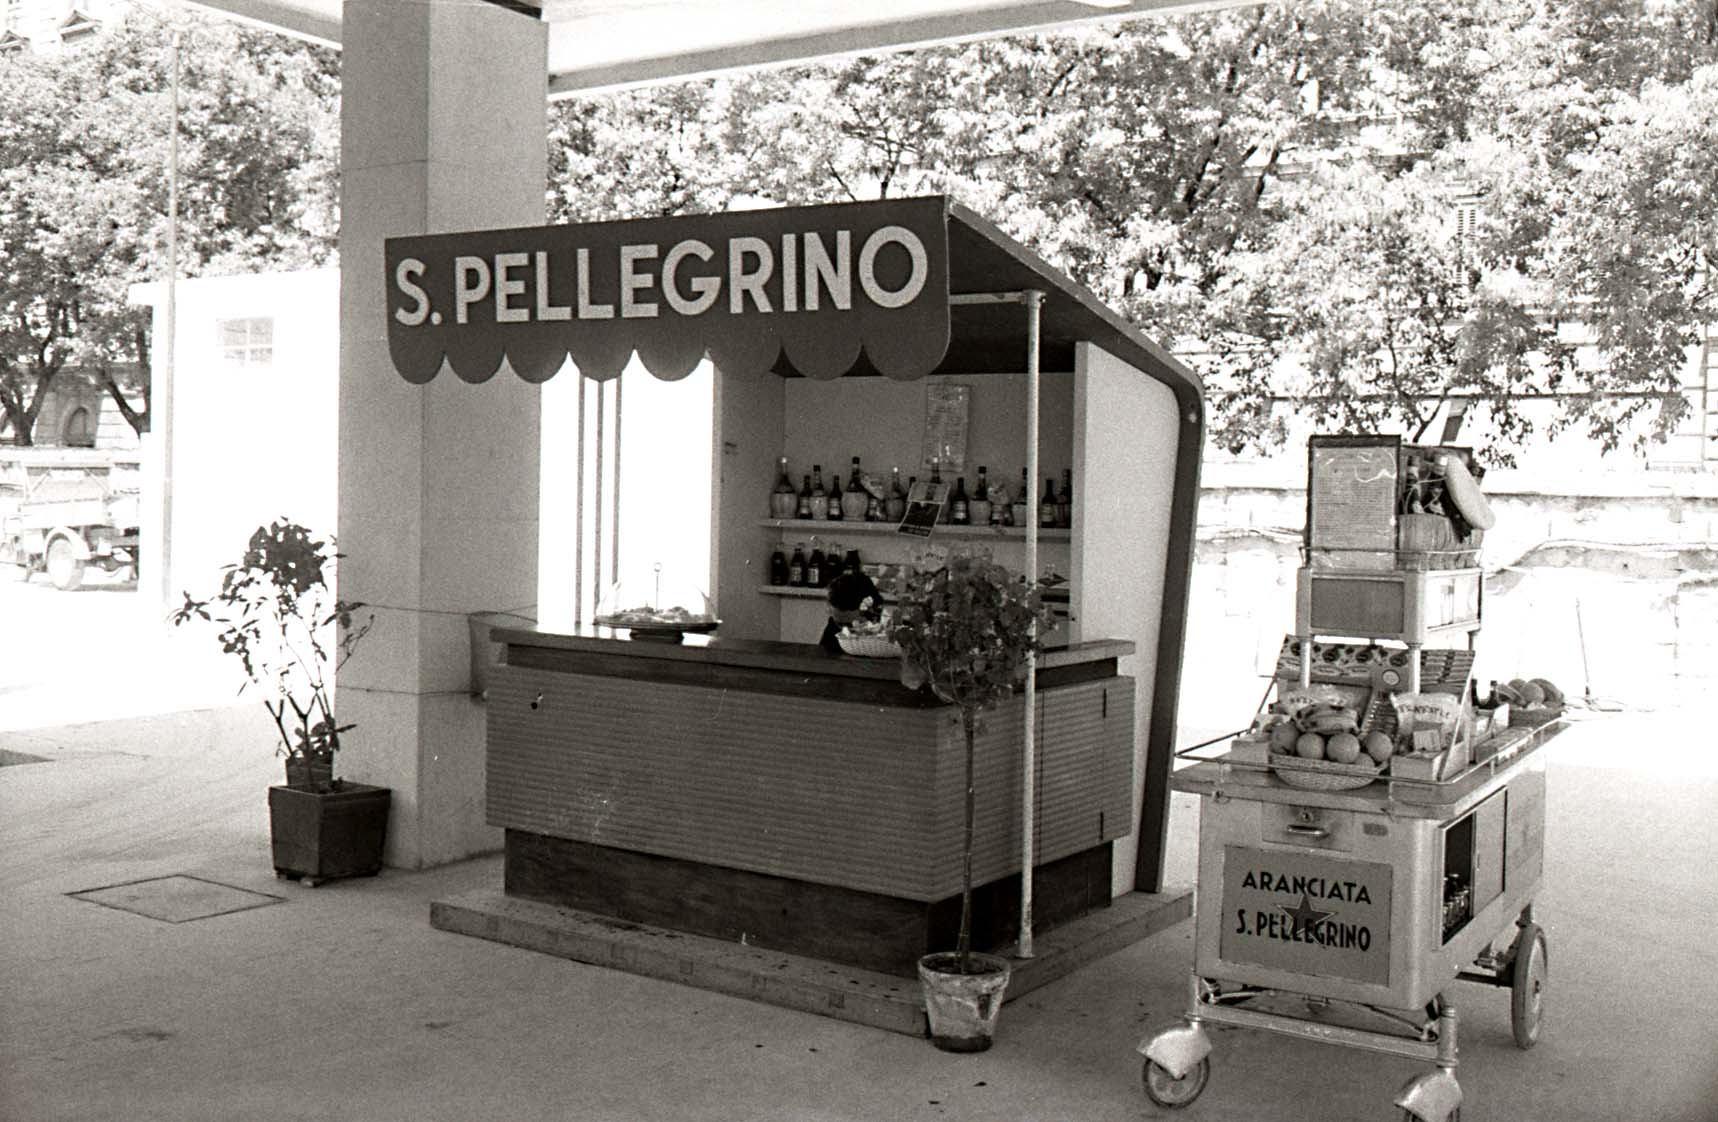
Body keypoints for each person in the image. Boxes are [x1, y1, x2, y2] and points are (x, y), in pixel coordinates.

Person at [820, 564, 882, 653]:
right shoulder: (833, 628)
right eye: (840, 624)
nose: (846, 632)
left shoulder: (887, 636)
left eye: (852, 625)